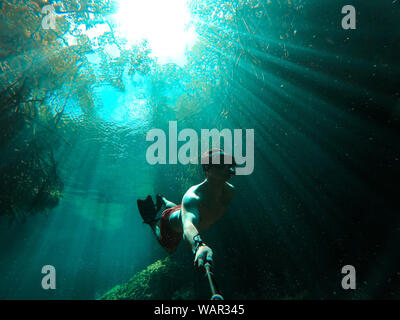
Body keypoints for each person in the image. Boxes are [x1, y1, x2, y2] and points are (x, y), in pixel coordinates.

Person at [137, 149, 236, 269]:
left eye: (230, 163)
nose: (228, 167)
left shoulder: (230, 191)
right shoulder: (193, 197)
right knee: (169, 248)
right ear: (207, 169)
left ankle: (163, 199)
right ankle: (152, 223)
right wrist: (198, 245)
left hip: (183, 211)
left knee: (182, 209)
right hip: (169, 223)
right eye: (221, 164)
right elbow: (188, 226)